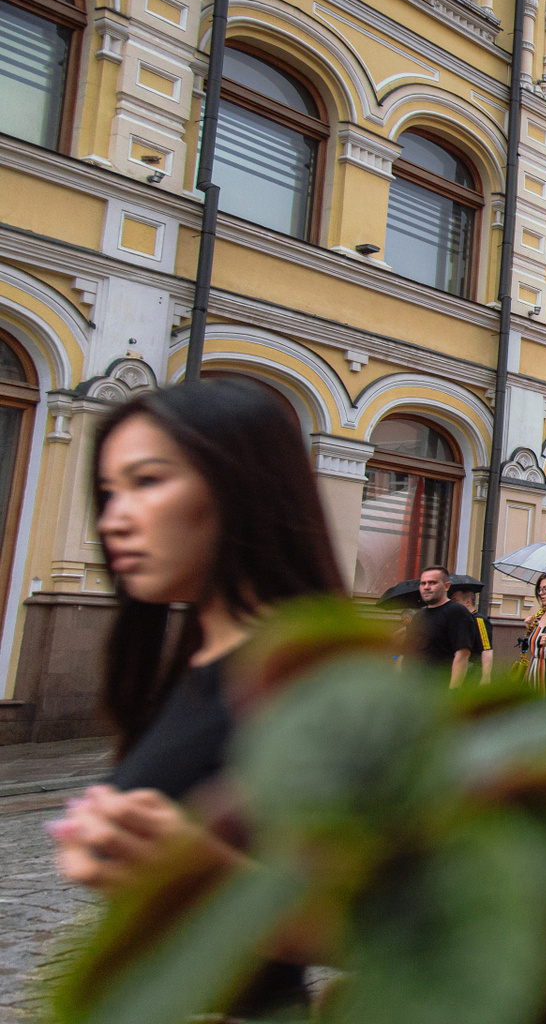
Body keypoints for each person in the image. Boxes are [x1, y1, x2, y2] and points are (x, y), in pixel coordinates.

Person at [48, 378, 343, 1011]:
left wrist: (202, 876)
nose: (113, 519)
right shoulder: (195, 666)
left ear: (242, 487)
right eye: (108, 492)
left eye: (147, 481)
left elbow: (395, 933)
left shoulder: (306, 683)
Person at [407, 564, 482, 688]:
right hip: (414, 687)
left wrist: (453, 690)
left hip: (440, 687)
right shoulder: (418, 616)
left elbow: (462, 654)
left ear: (446, 586)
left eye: (432, 583)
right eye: (423, 583)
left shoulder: (457, 612)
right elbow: (407, 654)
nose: (426, 587)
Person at [455, 583, 494, 683]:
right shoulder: (461, 620)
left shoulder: (479, 621)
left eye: (456, 601)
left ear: (468, 602)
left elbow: (486, 649)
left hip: (473, 673)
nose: (453, 605)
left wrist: (485, 677)